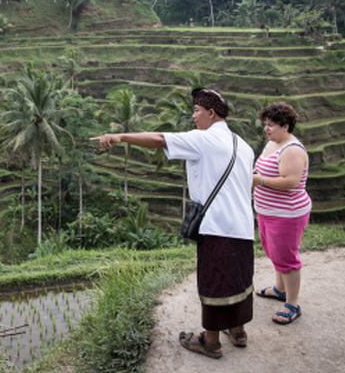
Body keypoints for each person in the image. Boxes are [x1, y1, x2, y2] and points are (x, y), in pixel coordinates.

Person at [92, 88, 255, 359]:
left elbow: (159, 139)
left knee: (214, 281)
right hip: (243, 225)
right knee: (239, 279)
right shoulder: (244, 145)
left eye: (196, 111)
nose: (193, 117)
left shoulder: (205, 140)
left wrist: (119, 136)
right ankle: (238, 331)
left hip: (216, 226)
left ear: (211, 113)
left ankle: (211, 341)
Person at [251, 102, 311, 325]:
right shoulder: (272, 144)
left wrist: (259, 180)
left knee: (286, 258)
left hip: (288, 214)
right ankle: (279, 289)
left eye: (271, 125)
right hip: (267, 211)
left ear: (286, 126)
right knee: (274, 251)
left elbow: (291, 182)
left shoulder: (292, 149)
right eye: (265, 124)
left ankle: (292, 305)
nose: (266, 129)